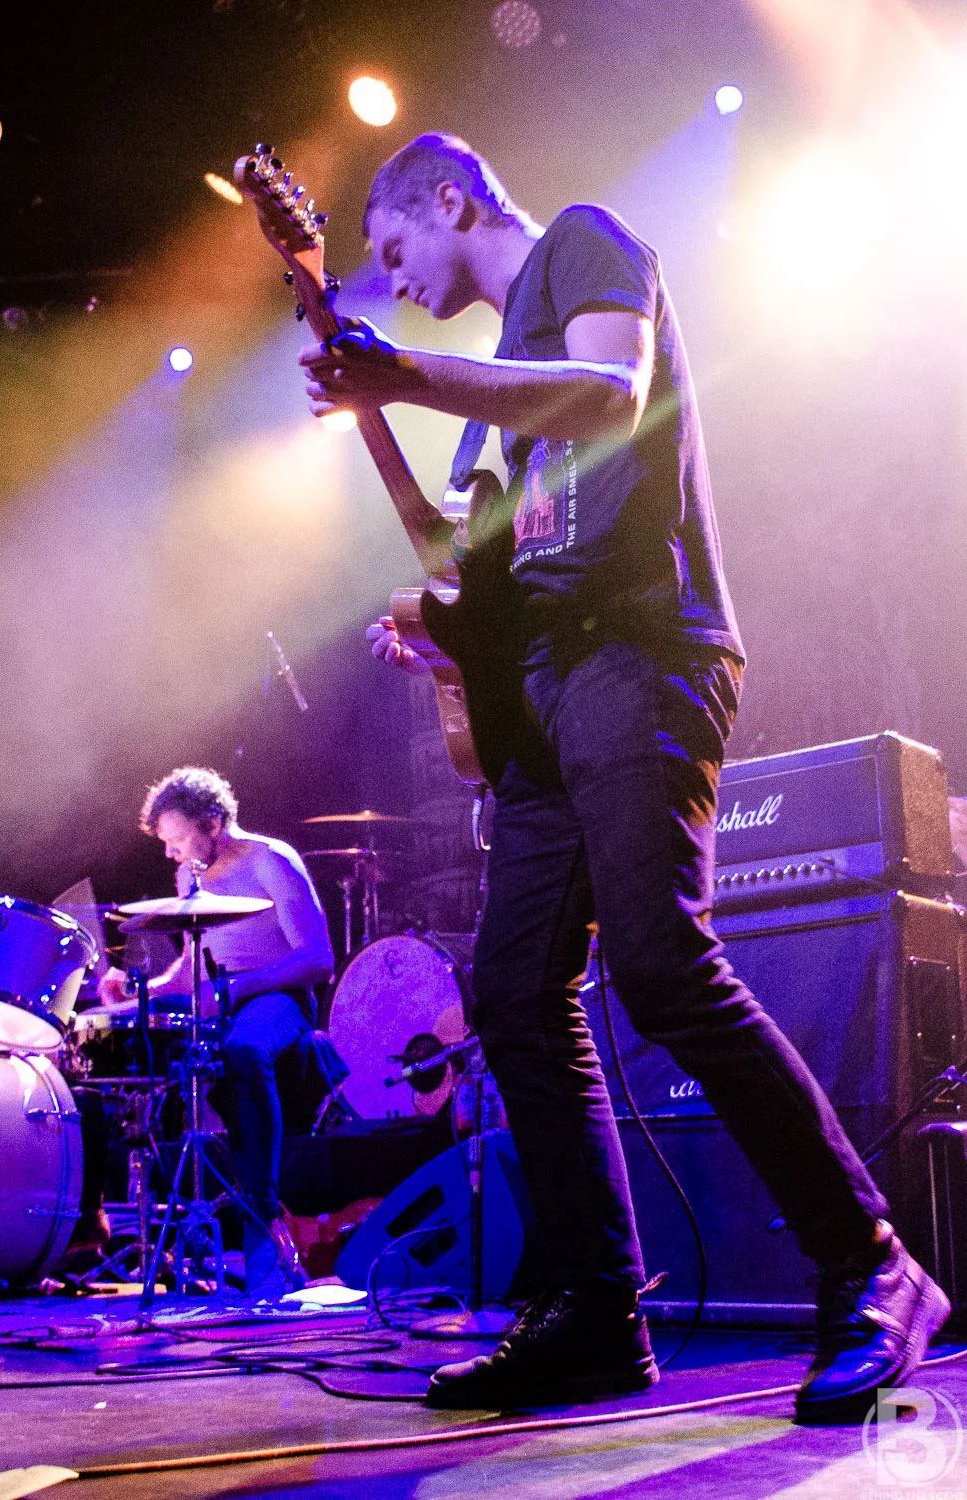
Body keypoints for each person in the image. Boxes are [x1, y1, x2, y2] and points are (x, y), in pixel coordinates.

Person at [297, 133, 949, 1419]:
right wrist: (431, 581)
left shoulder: (581, 243)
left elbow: (610, 395)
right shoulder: (487, 406)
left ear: (449, 199)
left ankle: (872, 1263)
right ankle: (596, 1311)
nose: (393, 278)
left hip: (642, 654)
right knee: (510, 992)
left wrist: (402, 374)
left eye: (392, 248)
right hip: (547, 695)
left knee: (660, 965)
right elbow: (464, 558)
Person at [99, 766, 335, 1282]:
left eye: (178, 840)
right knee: (108, 1048)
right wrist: (139, 991)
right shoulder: (191, 874)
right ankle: (102, 1229)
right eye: (166, 843)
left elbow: (319, 959)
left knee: (246, 1050)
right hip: (225, 1001)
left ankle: (262, 1217)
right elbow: (190, 968)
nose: (170, 854)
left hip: (279, 998)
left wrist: (233, 990)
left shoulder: (271, 860)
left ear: (212, 823)